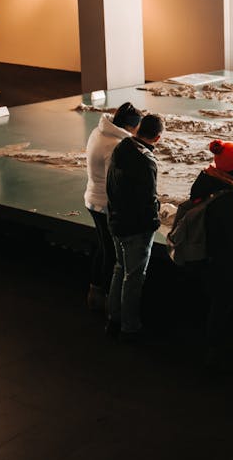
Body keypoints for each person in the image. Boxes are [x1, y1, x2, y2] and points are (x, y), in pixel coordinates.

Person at [187, 139, 233, 371]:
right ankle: (217, 356)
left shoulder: (206, 183)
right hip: (226, 266)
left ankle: (212, 350)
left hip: (206, 258)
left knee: (216, 306)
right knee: (223, 308)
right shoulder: (230, 200)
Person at [105, 113, 164, 341]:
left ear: (138, 129)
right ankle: (130, 327)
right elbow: (147, 199)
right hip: (136, 228)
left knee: (120, 269)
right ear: (157, 138)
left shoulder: (121, 147)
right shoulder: (146, 161)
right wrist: (155, 222)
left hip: (116, 221)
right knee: (134, 276)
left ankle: (114, 319)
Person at [83, 102, 142, 312]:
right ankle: (109, 298)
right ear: (129, 127)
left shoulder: (99, 131)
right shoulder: (117, 145)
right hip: (104, 204)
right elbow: (115, 182)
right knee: (111, 253)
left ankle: (95, 289)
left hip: (92, 197)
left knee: (102, 246)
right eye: (137, 129)